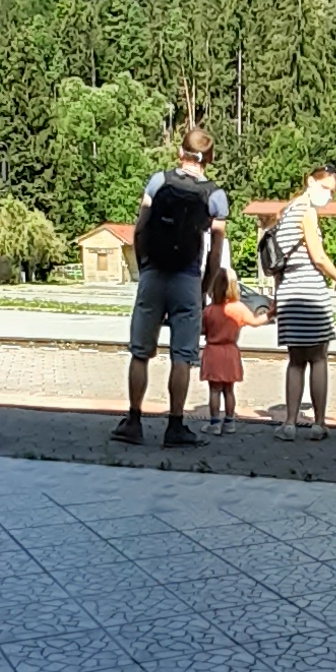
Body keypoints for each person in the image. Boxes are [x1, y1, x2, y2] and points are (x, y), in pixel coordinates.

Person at [114, 126, 229, 448]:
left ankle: (133, 422)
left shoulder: (158, 181)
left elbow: (140, 229)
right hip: (187, 279)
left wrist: (144, 267)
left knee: (140, 353)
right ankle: (175, 426)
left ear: (180, 153)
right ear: (209, 159)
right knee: (182, 355)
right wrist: (205, 288)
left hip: (153, 274)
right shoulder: (215, 195)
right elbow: (216, 251)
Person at [270, 161, 336, 440]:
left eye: (332, 191)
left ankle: (289, 423)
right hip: (311, 290)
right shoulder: (307, 211)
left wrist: (277, 297)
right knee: (318, 358)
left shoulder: (286, 212)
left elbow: (277, 264)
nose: (328, 195)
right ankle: (318, 422)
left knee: (295, 361)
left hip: (288, 290)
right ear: (311, 182)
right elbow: (319, 257)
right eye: (326, 188)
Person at [199, 268, 266, 433]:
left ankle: (214, 423)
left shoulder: (209, 310)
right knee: (229, 390)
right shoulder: (239, 308)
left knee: (214, 390)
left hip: (213, 352)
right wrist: (271, 313)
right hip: (230, 351)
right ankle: (229, 422)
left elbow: (201, 330)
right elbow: (255, 322)